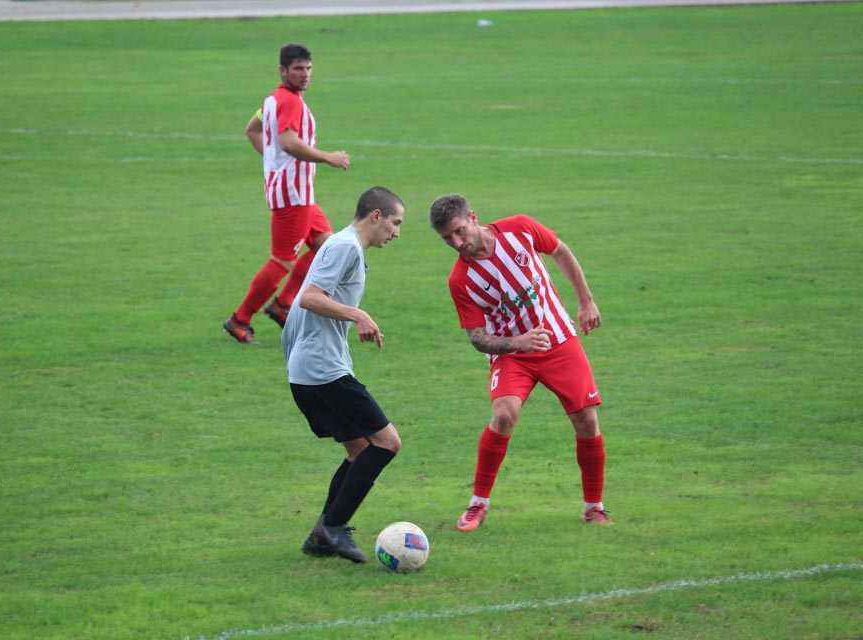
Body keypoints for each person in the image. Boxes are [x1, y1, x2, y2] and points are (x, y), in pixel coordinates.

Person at [428, 193, 613, 531]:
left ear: (473, 217)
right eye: (447, 239)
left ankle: (594, 508)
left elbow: (560, 251)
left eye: (459, 231)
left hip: (558, 340)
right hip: (512, 355)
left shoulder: (520, 229)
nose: (456, 243)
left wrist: (586, 301)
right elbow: (476, 337)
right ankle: (477, 505)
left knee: (587, 419)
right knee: (503, 415)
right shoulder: (460, 280)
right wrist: (518, 343)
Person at [284, 186, 405, 563]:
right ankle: (332, 527)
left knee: (359, 451)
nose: (397, 232)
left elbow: (301, 308)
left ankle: (322, 536)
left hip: (312, 369)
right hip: (323, 371)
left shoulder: (344, 245)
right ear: (375, 216)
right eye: (395, 222)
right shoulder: (345, 246)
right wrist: (359, 315)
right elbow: (309, 297)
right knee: (387, 443)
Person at [225, 42, 351, 344]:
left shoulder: (273, 99)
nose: (304, 74)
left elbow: (252, 129)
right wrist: (328, 157)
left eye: (308, 68)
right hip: (293, 196)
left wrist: (273, 163)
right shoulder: (290, 102)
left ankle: (283, 306)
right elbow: (289, 142)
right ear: (283, 70)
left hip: (297, 192)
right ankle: (240, 320)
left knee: (326, 247)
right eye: (297, 69)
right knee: (282, 261)